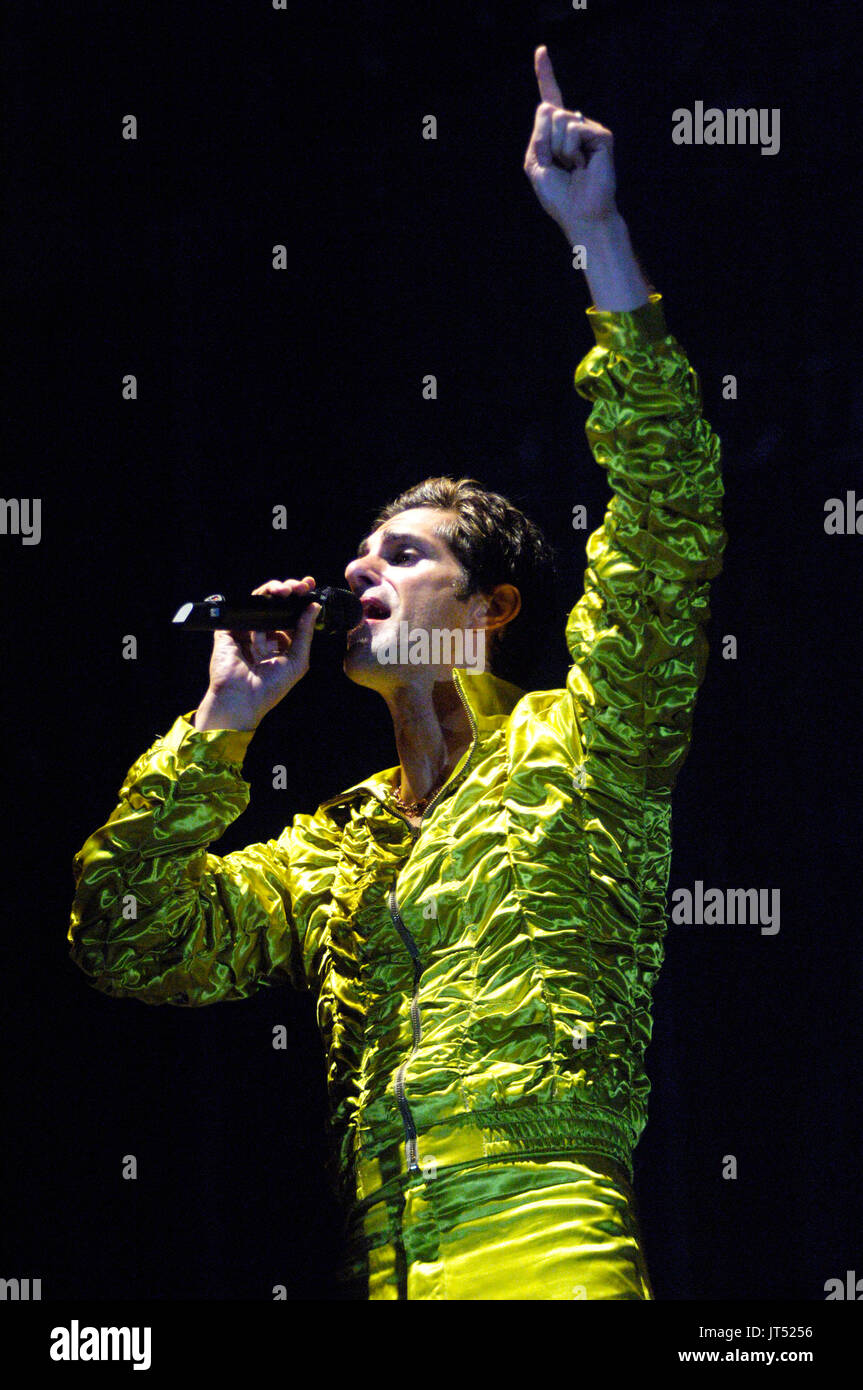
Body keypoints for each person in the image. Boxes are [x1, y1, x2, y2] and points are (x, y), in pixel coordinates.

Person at [68, 45, 726, 1299]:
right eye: (356, 553)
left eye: (405, 554)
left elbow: (669, 514)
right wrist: (217, 731)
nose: (358, 572)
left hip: (549, 1263)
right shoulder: (327, 851)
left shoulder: (586, 749)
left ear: (489, 607)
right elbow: (123, 939)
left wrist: (595, 238)